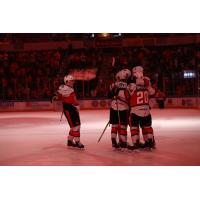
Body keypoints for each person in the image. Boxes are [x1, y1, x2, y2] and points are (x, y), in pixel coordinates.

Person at [125, 66, 156, 150]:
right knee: (147, 126)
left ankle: (136, 143)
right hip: (146, 109)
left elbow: (126, 96)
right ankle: (150, 142)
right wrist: (150, 105)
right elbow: (153, 93)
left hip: (135, 109)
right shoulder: (147, 82)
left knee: (134, 127)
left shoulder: (131, 84)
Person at [56, 74, 84, 149]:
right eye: (71, 81)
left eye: (73, 81)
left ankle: (70, 141)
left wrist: (77, 106)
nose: (73, 82)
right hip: (69, 109)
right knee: (76, 126)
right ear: (67, 81)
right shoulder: (65, 87)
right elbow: (59, 92)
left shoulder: (70, 88)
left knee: (75, 126)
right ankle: (77, 142)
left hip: (73, 109)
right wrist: (55, 95)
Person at [108, 69, 131, 149]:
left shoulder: (113, 85)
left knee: (114, 125)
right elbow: (129, 97)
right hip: (123, 108)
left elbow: (109, 94)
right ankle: (123, 142)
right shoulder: (128, 86)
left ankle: (114, 142)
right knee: (123, 126)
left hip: (113, 106)